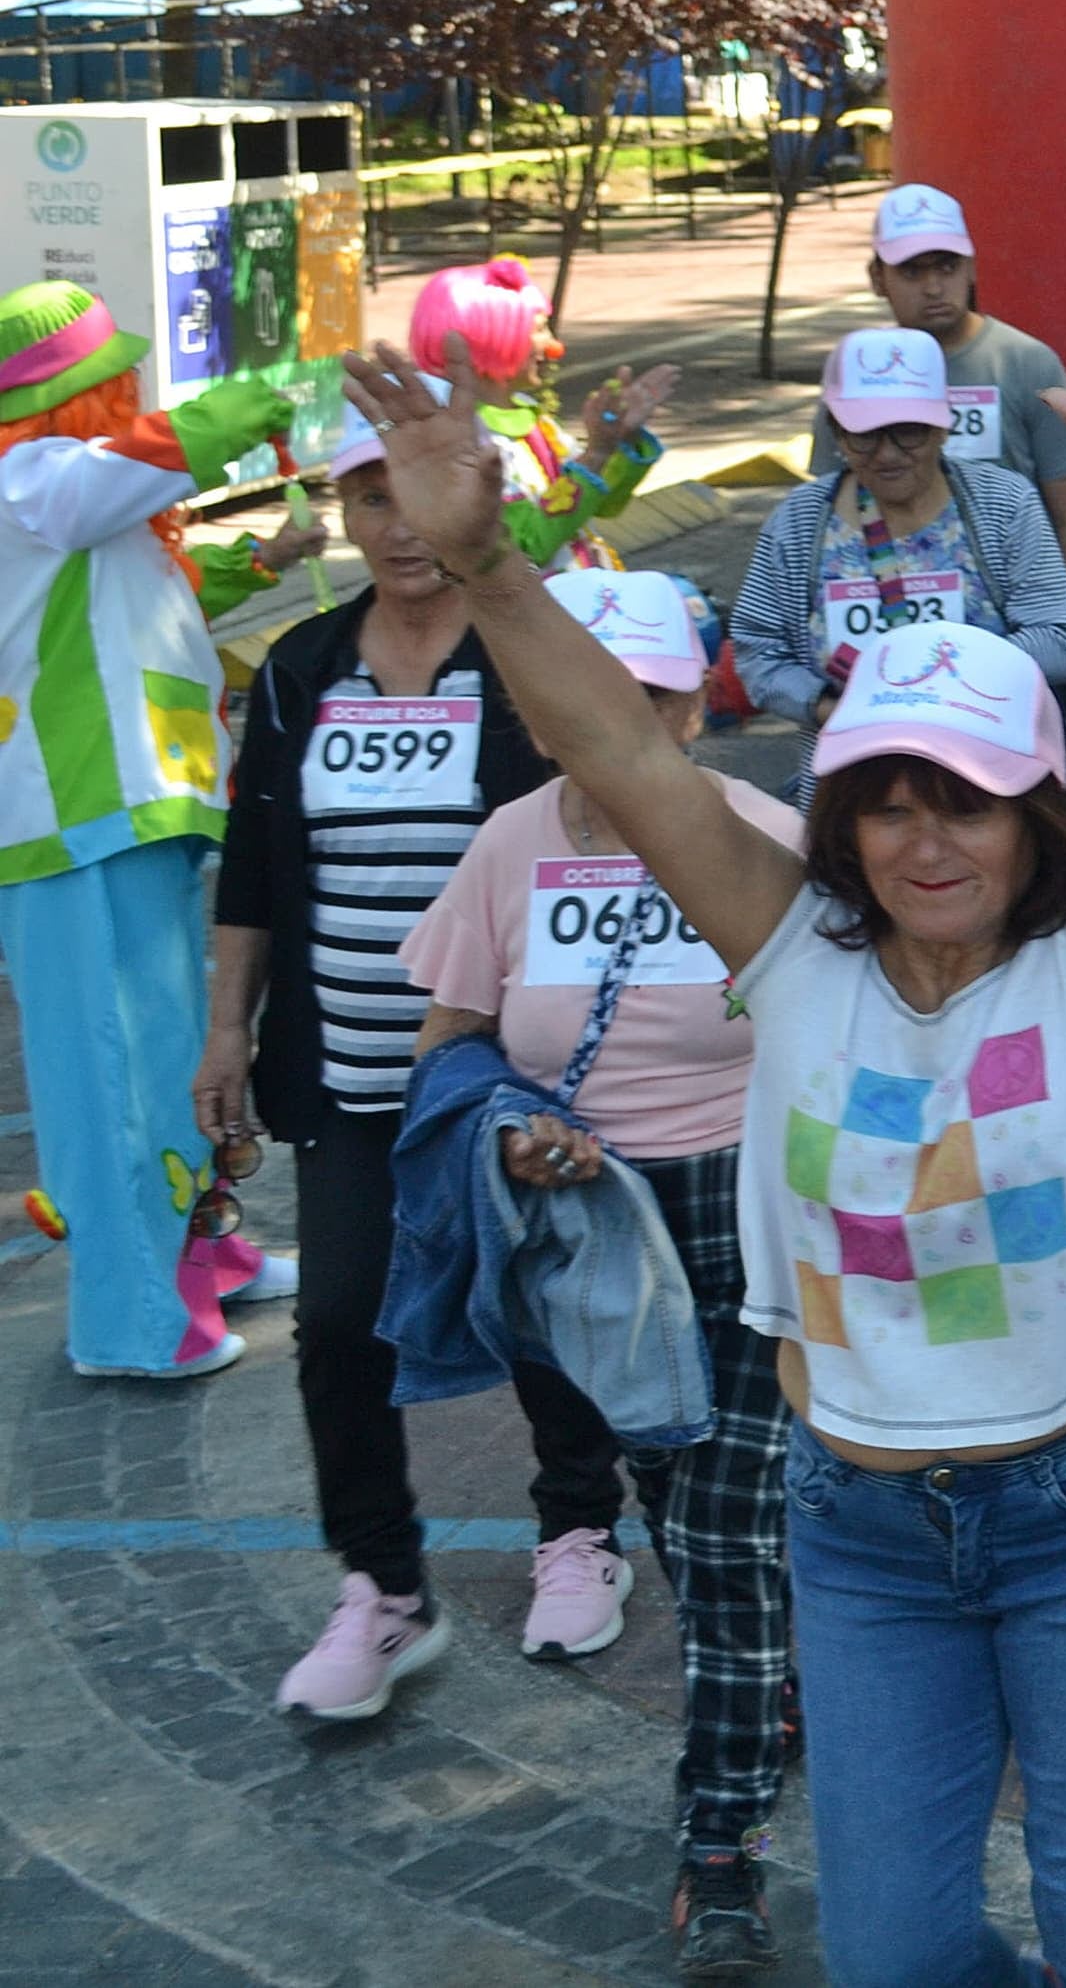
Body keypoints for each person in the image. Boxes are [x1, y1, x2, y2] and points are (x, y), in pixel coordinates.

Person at [333, 286, 1066, 1988]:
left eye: (965, 795)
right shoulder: (790, 945)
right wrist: (485, 558)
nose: (923, 836)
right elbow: (613, 738)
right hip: (860, 1520)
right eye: (885, 795)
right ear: (834, 809)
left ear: (1034, 807)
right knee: (896, 1951)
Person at [395, 568, 804, 1976]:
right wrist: (514, 1132)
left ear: (701, 703)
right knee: (684, 1509)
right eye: (600, 694)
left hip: (751, 1214)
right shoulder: (507, 846)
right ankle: (765, 1688)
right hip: (587, 1239)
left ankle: (720, 1844)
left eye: (662, 694)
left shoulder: (763, 835)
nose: (632, 719)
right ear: (545, 705)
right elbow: (447, 1042)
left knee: (729, 1530)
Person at [206, 381, 626, 1721]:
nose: (395, 526)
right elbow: (258, 866)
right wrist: (230, 1024)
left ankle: (581, 1531)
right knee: (335, 1325)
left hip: (509, 1061)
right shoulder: (299, 666)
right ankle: (383, 1587)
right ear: (340, 511)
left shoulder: (523, 657)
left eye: (412, 491)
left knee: (545, 1305)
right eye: (366, 496)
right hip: (345, 1069)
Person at [0, 284, 303, 1380]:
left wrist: (264, 558)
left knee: (174, 1052)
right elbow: (161, 452)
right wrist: (271, 394)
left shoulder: (76, 501)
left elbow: (149, 589)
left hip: (141, 811)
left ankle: (204, 1251)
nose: (134, 396)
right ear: (77, 397)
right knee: (108, 1073)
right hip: (70, 826)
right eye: (114, 382)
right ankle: (130, 1320)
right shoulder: (28, 481)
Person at [731, 328, 1066, 779]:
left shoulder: (1003, 504)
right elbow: (758, 651)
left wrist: (933, 689)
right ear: (837, 435)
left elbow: (1059, 642)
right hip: (850, 785)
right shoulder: (800, 521)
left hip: (990, 774)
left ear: (944, 425)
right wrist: (837, 711)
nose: (887, 455)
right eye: (863, 435)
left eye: (908, 432)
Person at [820, 185, 1066, 657]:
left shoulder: (1027, 364)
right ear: (877, 277)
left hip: (1012, 629)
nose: (933, 287)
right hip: (883, 631)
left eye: (947, 266)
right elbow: (826, 512)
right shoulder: (853, 374)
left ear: (972, 267)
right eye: (911, 271)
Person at [405, 258, 673, 572]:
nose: (553, 345)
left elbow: (603, 504)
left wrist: (619, 441)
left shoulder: (532, 417)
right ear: (492, 336)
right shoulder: (468, 438)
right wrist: (596, 453)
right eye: (540, 329)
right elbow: (529, 545)